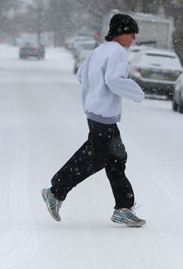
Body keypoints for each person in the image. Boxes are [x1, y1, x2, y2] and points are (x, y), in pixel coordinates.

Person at [42, 14, 146, 227]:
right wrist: (136, 92)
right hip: (104, 115)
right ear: (120, 32)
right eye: (131, 33)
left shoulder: (99, 50)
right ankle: (55, 192)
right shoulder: (117, 53)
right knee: (95, 158)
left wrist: (94, 93)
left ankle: (123, 208)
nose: (134, 38)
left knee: (116, 158)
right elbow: (114, 80)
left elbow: (81, 74)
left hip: (96, 113)